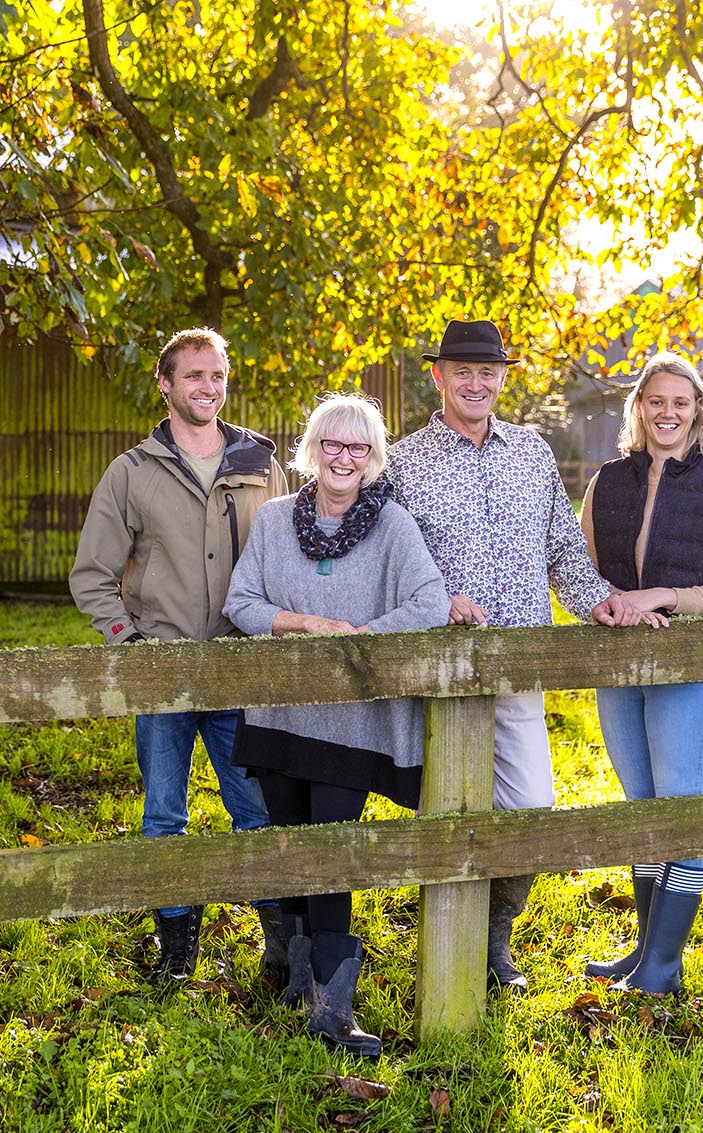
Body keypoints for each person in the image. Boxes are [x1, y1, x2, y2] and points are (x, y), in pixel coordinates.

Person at [386, 317, 625, 993]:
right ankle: (449, 950)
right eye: (462, 370)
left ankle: (494, 936)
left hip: (524, 662)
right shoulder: (404, 461)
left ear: (503, 378)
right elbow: (394, 565)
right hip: (443, 670)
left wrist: (598, 601)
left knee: (531, 808)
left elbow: (562, 550)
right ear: (437, 375)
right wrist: (439, 601)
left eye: (488, 372)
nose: (476, 382)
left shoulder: (531, 452)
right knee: (452, 813)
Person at [224, 392, 449, 1056]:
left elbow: (429, 602)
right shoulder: (272, 521)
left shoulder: (394, 527)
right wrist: (309, 625)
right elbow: (241, 602)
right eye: (333, 444)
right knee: (291, 844)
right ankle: (299, 984)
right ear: (313, 450)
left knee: (332, 851)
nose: (344, 457)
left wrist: (359, 644)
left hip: (353, 724)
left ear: (374, 457)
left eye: (358, 447)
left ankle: (334, 1005)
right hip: (281, 711)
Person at [69, 327, 289, 984]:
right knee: (164, 811)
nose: (208, 387)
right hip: (159, 671)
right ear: (165, 384)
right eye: (194, 375)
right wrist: (125, 645)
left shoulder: (260, 465)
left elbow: (284, 558)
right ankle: (177, 953)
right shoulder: (132, 472)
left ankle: (279, 948)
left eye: (218, 375)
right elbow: (92, 575)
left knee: (255, 808)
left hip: (238, 667)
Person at [580, 352, 703, 995]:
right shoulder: (607, 481)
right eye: (656, 401)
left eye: (681, 403)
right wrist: (613, 607)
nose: (668, 413)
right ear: (638, 409)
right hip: (619, 662)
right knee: (641, 806)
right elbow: (590, 574)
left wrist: (659, 596)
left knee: (679, 807)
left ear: (698, 412)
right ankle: (645, 953)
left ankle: (661, 965)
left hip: (689, 667)